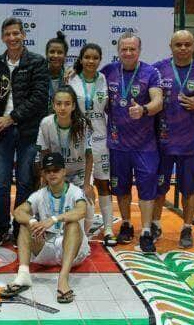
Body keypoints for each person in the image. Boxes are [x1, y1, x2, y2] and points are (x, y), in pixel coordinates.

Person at [0, 17, 49, 245]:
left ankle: (19, 226)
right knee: (1, 183)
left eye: (16, 33)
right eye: (7, 34)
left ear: (23, 35)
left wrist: (10, 118)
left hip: (28, 131)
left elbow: (39, 99)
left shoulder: (37, 62)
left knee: (24, 181)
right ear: (2, 37)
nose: (12, 38)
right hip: (1, 133)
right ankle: (1, 227)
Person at [100, 32, 163, 253]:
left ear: (139, 50)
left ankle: (146, 231)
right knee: (121, 188)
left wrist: (144, 109)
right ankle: (126, 223)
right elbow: (89, 80)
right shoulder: (108, 71)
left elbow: (158, 101)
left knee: (147, 189)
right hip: (117, 145)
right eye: (124, 49)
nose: (128, 53)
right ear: (118, 51)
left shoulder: (150, 72)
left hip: (145, 145)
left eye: (132, 49)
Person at [152, 30, 194, 248]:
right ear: (171, 46)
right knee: (159, 188)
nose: (183, 48)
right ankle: (156, 224)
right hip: (162, 142)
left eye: (187, 44)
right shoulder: (158, 69)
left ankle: (187, 228)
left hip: (190, 144)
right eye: (178, 44)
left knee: (189, 189)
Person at [1, 152, 89, 304]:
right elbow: (18, 212)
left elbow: (81, 210)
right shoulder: (39, 194)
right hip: (47, 248)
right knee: (25, 225)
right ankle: (23, 276)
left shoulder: (75, 191)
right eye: (48, 171)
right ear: (43, 174)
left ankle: (63, 279)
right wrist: (33, 220)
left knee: (72, 224)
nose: (52, 174)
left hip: (72, 251)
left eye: (56, 170)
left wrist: (54, 219)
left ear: (64, 171)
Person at [68, 43, 115, 245]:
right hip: (78, 139)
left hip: (100, 138)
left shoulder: (104, 79)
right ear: (81, 59)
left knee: (103, 183)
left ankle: (109, 229)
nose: (91, 61)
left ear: (99, 60)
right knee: (79, 185)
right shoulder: (71, 79)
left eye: (95, 58)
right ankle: (78, 228)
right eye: (87, 57)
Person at [36, 85, 94, 231]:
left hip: (78, 171)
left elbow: (89, 155)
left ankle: (82, 238)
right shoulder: (46, 123)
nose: (62, 108)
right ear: (53, 105)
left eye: (67, 104)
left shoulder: (83, 124)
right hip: (56, 172)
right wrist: (44, 179)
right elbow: (44, 153)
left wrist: (87, 184)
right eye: (59, 104)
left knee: (87, 212)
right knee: (51, 206)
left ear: (74, 106)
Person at [46, 31, 68, 113]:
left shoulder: (70, 76)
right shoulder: (38, 75)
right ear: (46, 54)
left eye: (60, 53)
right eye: (52, 52)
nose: (55, 55)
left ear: (65, 55)